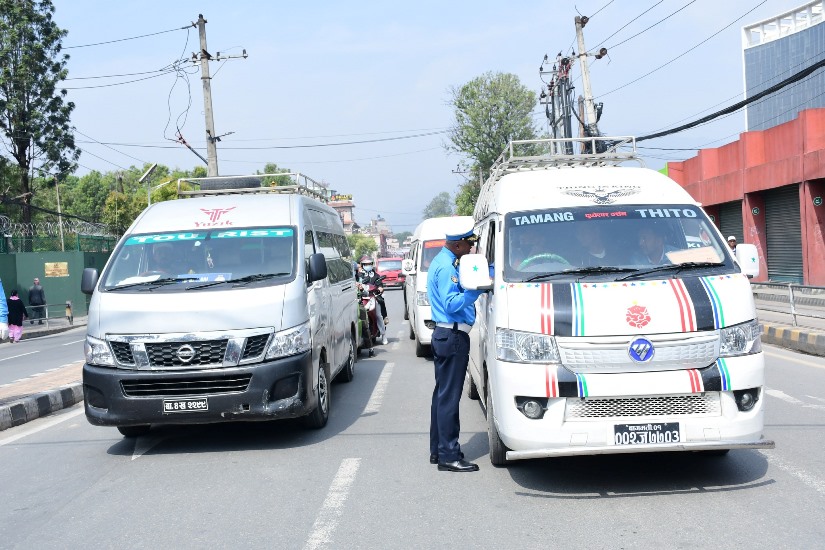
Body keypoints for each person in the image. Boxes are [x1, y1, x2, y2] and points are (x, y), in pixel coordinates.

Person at [427, 225, 485, 472]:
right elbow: (451, 304)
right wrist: (475, 292)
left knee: (441, 397)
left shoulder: (443, 262)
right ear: (458, 245)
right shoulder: (447, 267)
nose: (471, 248)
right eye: (468, 244)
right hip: (452, 335)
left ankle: (438, 450)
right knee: (449, 399)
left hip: (446, 335)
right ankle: (449, 455)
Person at [357, 256, 389, 345]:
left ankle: (383, 335)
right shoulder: (359, 275)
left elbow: (380, 286)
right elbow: (355, 284)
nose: (368, 266)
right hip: (362, 298)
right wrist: (358, 286)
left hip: (373, 297)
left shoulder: (376, 276)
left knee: (379, 315)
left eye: (369, 264)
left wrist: (379, 289)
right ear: (362, 265)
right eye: (365, 264)